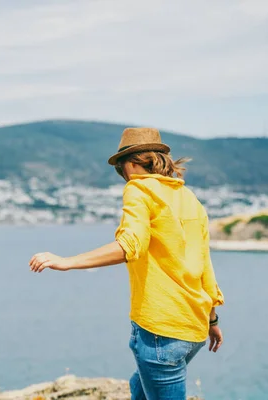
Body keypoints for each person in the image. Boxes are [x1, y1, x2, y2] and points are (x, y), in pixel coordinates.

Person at [29, 127, 224, 400]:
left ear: (131, 164)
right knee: (139, 389)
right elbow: (203, 263)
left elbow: (131, 244)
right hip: (194, 328)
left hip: (161, 330)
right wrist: (212, 317)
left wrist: (66, 262)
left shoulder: (139, 189)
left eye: (121, 168)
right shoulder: (188, 198)